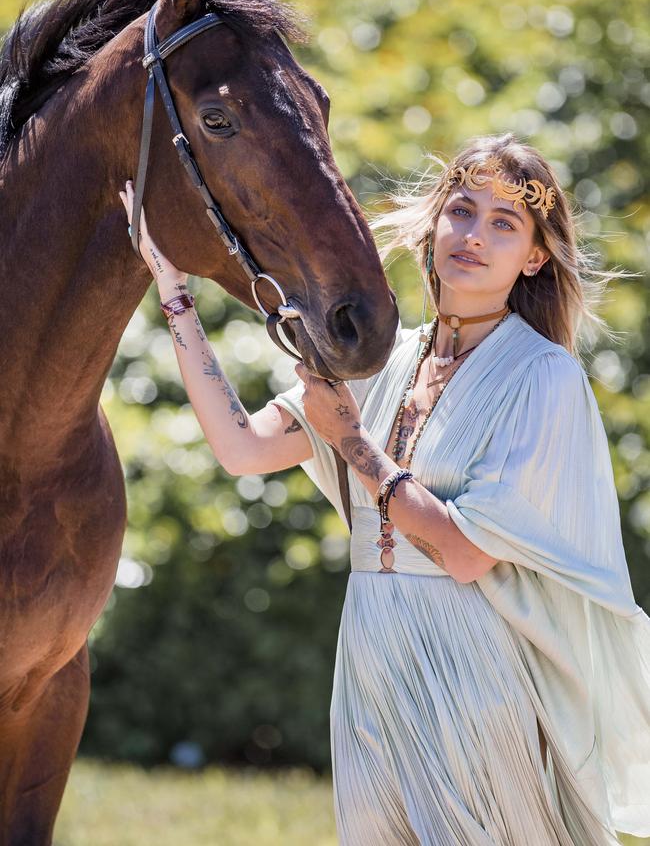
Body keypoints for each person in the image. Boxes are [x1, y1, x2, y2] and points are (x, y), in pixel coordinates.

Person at [120, 132, 650, 845]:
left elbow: (463, 553)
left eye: (504, 223)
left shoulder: (543, 378)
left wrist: (354, 444)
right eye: (462, 210)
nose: (474, 235)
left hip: (474, 669)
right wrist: (174, 292)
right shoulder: (384, 359)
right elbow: (242, 447)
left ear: (534, 257)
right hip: (369, 657)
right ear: (434, 225)